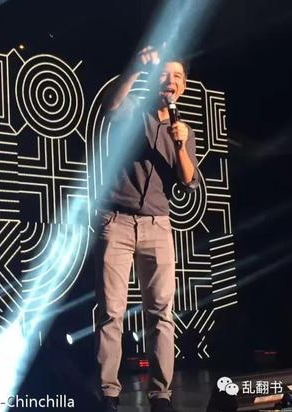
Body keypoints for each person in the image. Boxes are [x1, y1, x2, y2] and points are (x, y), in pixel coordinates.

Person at [95, 45, 199, 412]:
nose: (171, 81)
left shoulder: (182, 129)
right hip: (117, 222)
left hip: (158, 225)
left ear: (184, 86)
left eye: (177, 77)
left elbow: (188, 180)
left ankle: (161, 395)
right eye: (165, 75)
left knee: (161, 314)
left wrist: (180, 144)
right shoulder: (134, 113)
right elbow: (111, 106)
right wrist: (137, 68)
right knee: (111, 312)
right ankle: (109, 392)